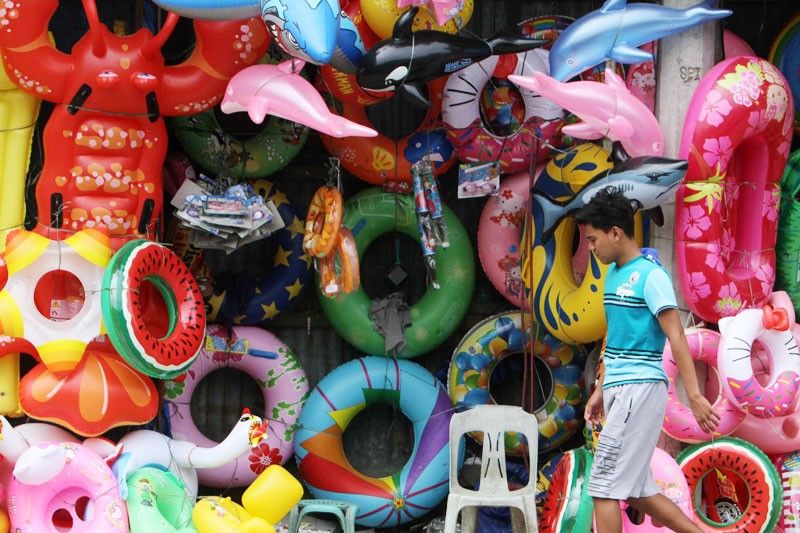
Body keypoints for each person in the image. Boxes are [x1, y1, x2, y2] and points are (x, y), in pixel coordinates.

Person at [574, 187, 720, 533]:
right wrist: (599, 388)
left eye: (594, 240)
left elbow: (677, 336)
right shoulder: (614, 274)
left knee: (604, 486)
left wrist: (696, 396)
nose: (591, 248)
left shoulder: (652, 276)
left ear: (616, 232)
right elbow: (617, 336)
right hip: (619, 389)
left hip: (638, 389)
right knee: (638, 492)